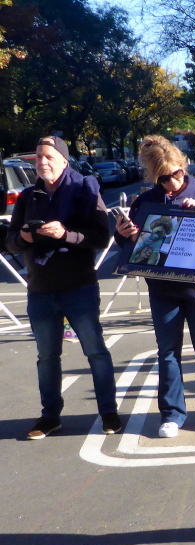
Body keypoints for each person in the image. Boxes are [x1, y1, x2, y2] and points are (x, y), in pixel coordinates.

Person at [6, 136, 121, 439]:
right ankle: (50, 416)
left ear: (64, 161)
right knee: (47, 357)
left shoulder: (85, 189)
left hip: (78, 287)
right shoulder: (28, 196)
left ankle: (109, 413)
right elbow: (9, 242)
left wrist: (65, 234)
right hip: (41, 289)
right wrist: (24, 238)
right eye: (38, 157)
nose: (42, 162)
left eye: (49, 157)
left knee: (95, 352)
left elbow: (100, 238)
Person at [114, 135, 195, 437]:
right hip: (163, 289)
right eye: (164, 178)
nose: (173, 182)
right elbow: (134, 248)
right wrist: (125, 235)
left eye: (176, 173)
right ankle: (172, 414)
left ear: (183, 166)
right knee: (167, 351)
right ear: (154, 177)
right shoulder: (145, 201)